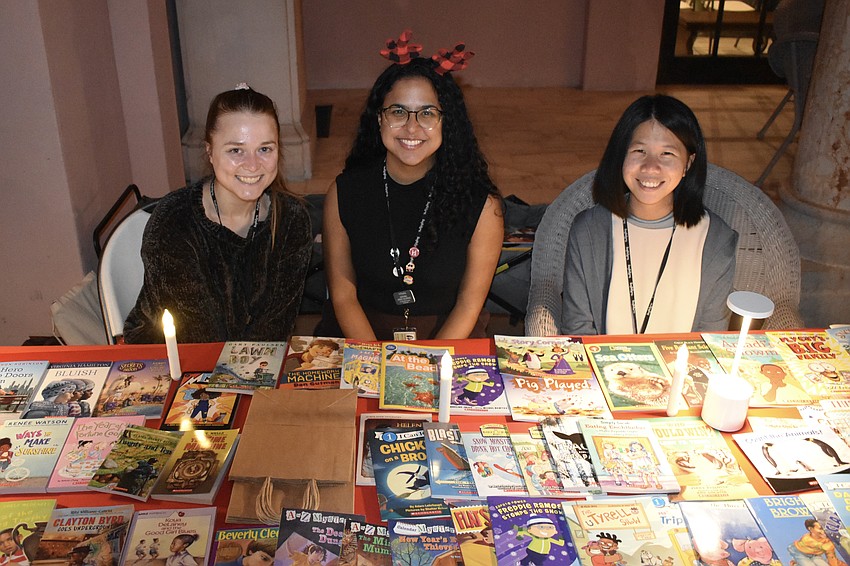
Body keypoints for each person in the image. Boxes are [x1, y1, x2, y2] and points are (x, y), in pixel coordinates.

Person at [319, 30, 503, 340]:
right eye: (398, 112)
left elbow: (469, 305)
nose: (412, 127)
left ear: (447, 121)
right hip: (360, 337)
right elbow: (343, 297)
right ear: (379, 119)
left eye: (427, 113)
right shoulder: (345, 193)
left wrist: (425, 369)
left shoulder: (482, 205)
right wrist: (373, 362)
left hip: (449, 340)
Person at [123, 84, 312, 344]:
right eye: (236, 150)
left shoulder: (292, 219)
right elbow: (199, 337)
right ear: (210, 151)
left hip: (251, 364)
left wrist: (252, 376)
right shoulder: (174, 220)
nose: (253, 165)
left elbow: (274, 327)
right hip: (169, 359)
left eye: (265, 149)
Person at [560, 94, 738, 335]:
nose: (650, 167)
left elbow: (710, 339)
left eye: (667, 154)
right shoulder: (589, 231)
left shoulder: (715, 240)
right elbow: (578, 328)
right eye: (639, 150)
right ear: (621, 155)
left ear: (688, 163)